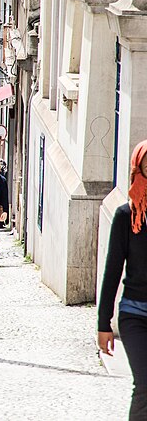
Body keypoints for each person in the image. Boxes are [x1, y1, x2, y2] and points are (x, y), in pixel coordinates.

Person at [98, 140, 147, 420]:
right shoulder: (125, 216)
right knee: (145, 384)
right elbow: (113, 270)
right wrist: (103, 324)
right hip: (135, 314)